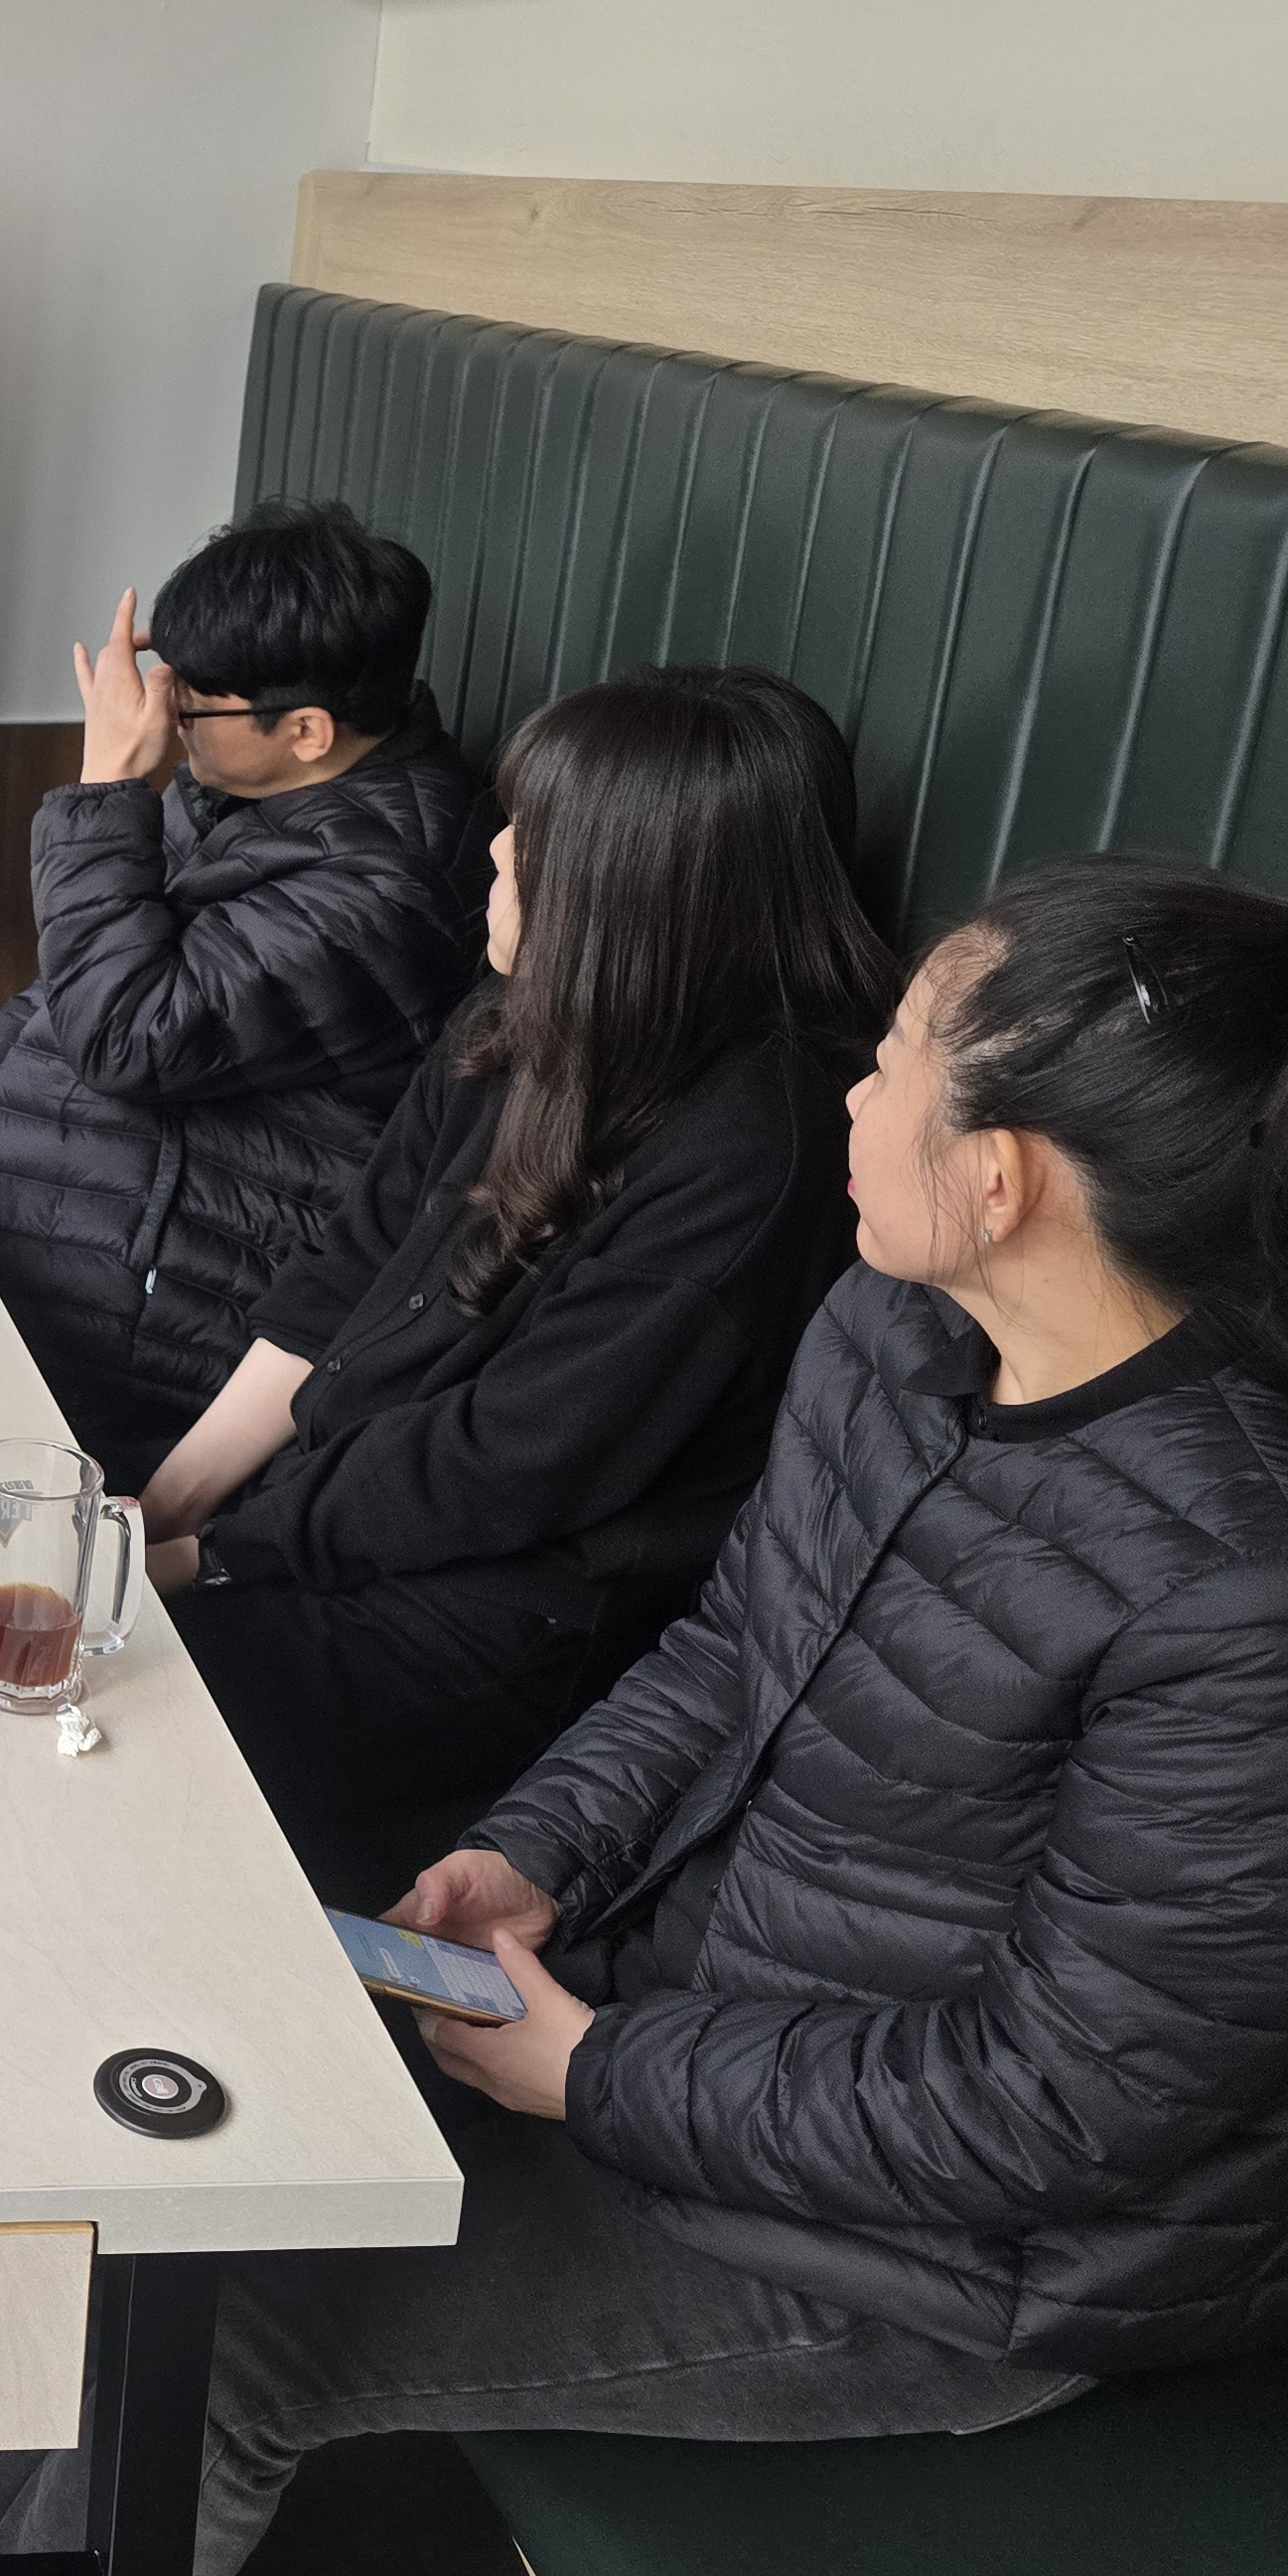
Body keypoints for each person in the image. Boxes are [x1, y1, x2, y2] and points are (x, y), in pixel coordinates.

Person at [0, 849, 1288, 2576]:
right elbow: (736, 1643)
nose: (850, 1096)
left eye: (889, 1062)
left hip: (953, 2263)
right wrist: (534, 1854)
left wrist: (597, 2073)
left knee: (228, 2329)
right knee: (126, 2147)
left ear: (998, 1177)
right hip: (696, 2012)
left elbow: (1058, 2112)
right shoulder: (903, 1328)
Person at [139, 670, 899, 1905]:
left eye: (532, 836)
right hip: (333, 1513)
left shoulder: (761, 1147)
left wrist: (208, 1557)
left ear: (635, 884)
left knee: (112, 1712)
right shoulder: (516, 1012)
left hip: (498, 1619)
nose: (495, 852)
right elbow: (344, 1272)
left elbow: (508, 1462)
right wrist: (161, 1508)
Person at [0, 501, 489, 1486]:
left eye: (190, 703)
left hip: (155, 1312)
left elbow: (125, 1034)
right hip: (68, 1215)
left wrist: (104, 789)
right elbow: (67, 982)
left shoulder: (382, 892)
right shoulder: (253, 784)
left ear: (306, 729)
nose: (161, 719)